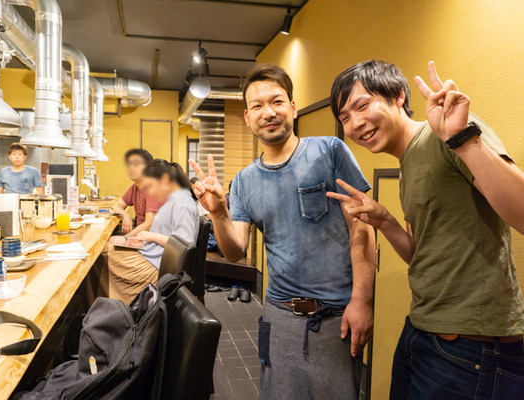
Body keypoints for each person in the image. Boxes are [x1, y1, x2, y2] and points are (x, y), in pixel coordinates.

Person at [328, 60, 524, 399]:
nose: (355, 123)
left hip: (470, 348)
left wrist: (462, 139)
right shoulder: (408, 160)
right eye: (344, 117)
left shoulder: (448, 133)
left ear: (398, 96)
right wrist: (385, 221)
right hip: (423, 332)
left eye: (362, 105)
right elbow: (422, 256)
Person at [190, 63, 377, 400]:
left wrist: (362, 301)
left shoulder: (330, 151)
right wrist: (218, 212)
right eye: (257, 106)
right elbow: (235, 251)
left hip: (334, 317)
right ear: (247, 117)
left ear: (292, 107)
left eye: (276, 101)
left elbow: (361, 228)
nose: (268, 112)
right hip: (278, 317)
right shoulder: (244, 181)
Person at [105, 159, 199, 304]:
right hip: (151, 255)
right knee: (107, 247)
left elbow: (184, 246)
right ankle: (106, 308)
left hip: (157, 267)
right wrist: (138, 240)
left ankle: (112, 308)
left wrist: (151, 236)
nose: (151, 192)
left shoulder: (183, 203)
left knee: (102, 255)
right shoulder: (173, 199)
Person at [112, 148, 163, 236]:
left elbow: (149, 225)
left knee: (109, 242)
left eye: (136, 164)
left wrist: (125, 238)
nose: (131, 168)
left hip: (152, 238)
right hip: (141, 235)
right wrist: (125, 214)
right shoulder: (135, 187)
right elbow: (117, 205)